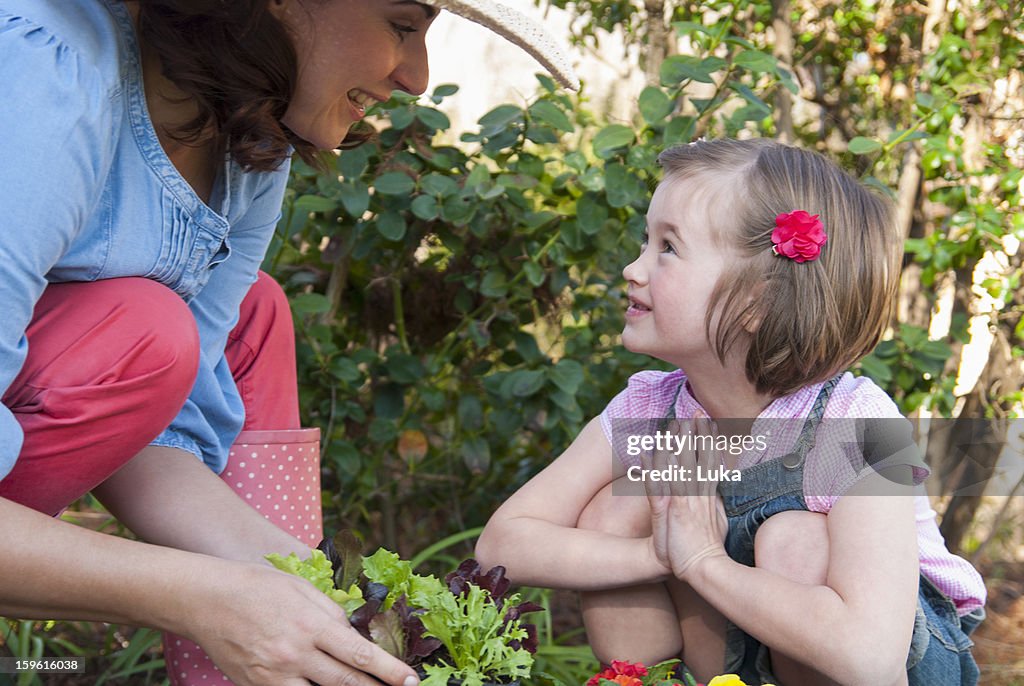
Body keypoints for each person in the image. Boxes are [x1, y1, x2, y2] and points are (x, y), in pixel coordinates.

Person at [0, 0, 577, 685]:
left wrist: (322, 595)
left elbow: (160, 440)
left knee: (240, 314)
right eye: (402, 24)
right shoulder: (47, 75)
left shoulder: (251, 150)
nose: (418, 78)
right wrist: (200, 596)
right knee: (148, 328)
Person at [476, 138, 986, 685]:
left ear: (756, 302)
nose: (633, 268)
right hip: (738, 658)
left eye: (667, 248)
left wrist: (703, 561)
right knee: (616, 512)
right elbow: (502, 545)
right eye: (644, 241)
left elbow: (870, 659)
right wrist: (660, 554)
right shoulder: (651, 407)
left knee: (793, 539)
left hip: (897, 663)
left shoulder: (856, 422)